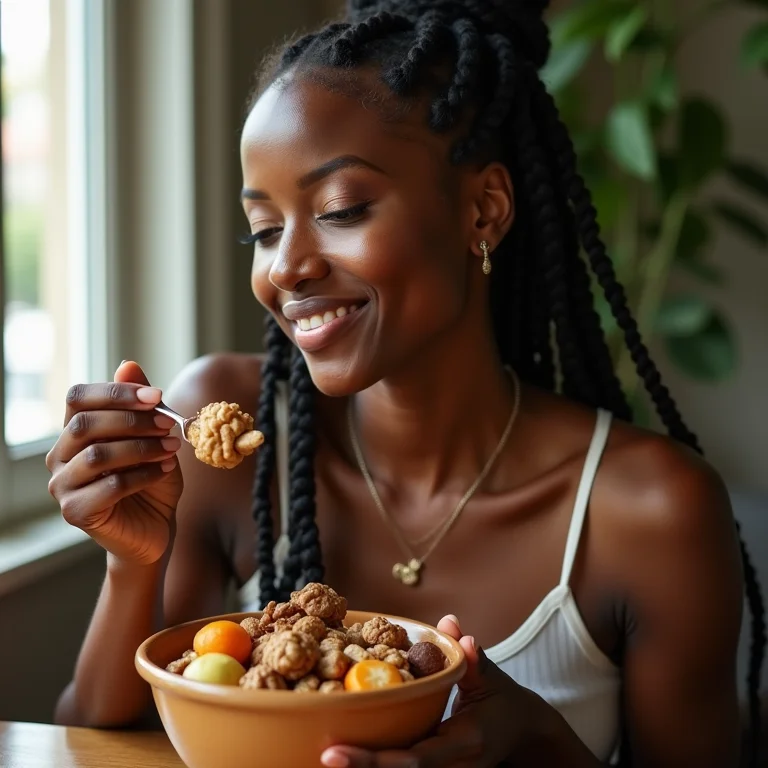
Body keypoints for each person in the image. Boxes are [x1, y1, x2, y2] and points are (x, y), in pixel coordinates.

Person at [46, 0, 764, 765]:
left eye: (341, 208)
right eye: (263, 229)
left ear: (483, 210)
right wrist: (134, 563)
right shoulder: (239, 430)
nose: (285, 266)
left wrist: (540, 743)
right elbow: (98, 744)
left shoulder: (651, 514)